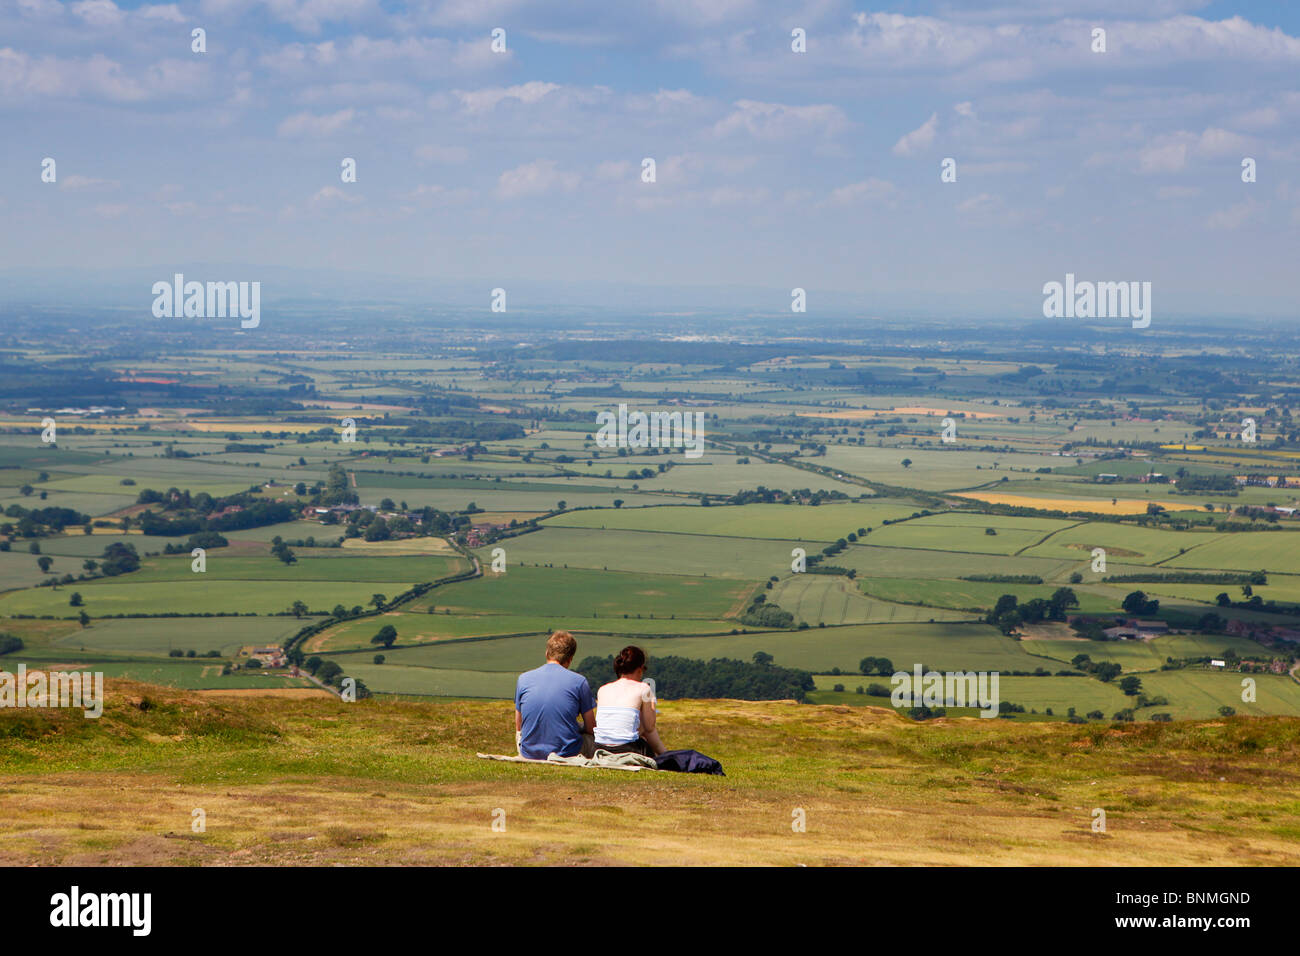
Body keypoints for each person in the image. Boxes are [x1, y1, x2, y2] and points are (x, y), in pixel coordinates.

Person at [514, 631, 596, 760]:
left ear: (547, 653)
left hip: (528, 752)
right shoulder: (579, 682)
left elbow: (519, 726)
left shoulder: (523, 679)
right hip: (568, 753)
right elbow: (591, 728)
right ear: (570, 659)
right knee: (592, 739)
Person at [594, 645, 667, 757]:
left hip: (599, 748)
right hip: (627, 748)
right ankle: (665, 756)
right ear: (640, 669)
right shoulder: (644, 689)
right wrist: (666, 754)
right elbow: (649, 728)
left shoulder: (602, 689)